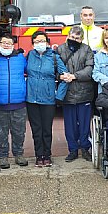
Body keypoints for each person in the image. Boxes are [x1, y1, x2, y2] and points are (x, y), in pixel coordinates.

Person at [26, 32, 68, 167]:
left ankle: (47, 155)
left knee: (46, 129)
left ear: (48, 43)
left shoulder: (54, 57)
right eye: (37, 41)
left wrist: (59, 96)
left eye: (42, 41)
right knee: (36, 129)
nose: (40, 43)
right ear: (33, 44)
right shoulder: (29, 56)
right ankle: (39, 155)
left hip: (48, 99)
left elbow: (65, 77)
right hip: (32, 98)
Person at [57, 26, 95, 162]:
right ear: (68, 36)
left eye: (77, 38)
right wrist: (61, 76)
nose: (74, 40)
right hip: (67, 94)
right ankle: (72, 150)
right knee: (70, 125)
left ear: (82, 39)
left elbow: (90, 69)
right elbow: (55, 68)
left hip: (84, 93)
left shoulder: (87, 50)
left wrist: (74, 76)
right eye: (72, 37)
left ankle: (85, 148)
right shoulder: (60, 49)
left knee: (85, 125)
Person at [0, 34, 28, 169]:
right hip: (0, 103)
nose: (6, 45)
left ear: (13, 45)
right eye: (3, 43)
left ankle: (19, 154)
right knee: (0, 132)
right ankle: (3, 156)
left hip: (19, 102)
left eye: (9, 43)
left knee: (19, 131)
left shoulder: (20, 59)